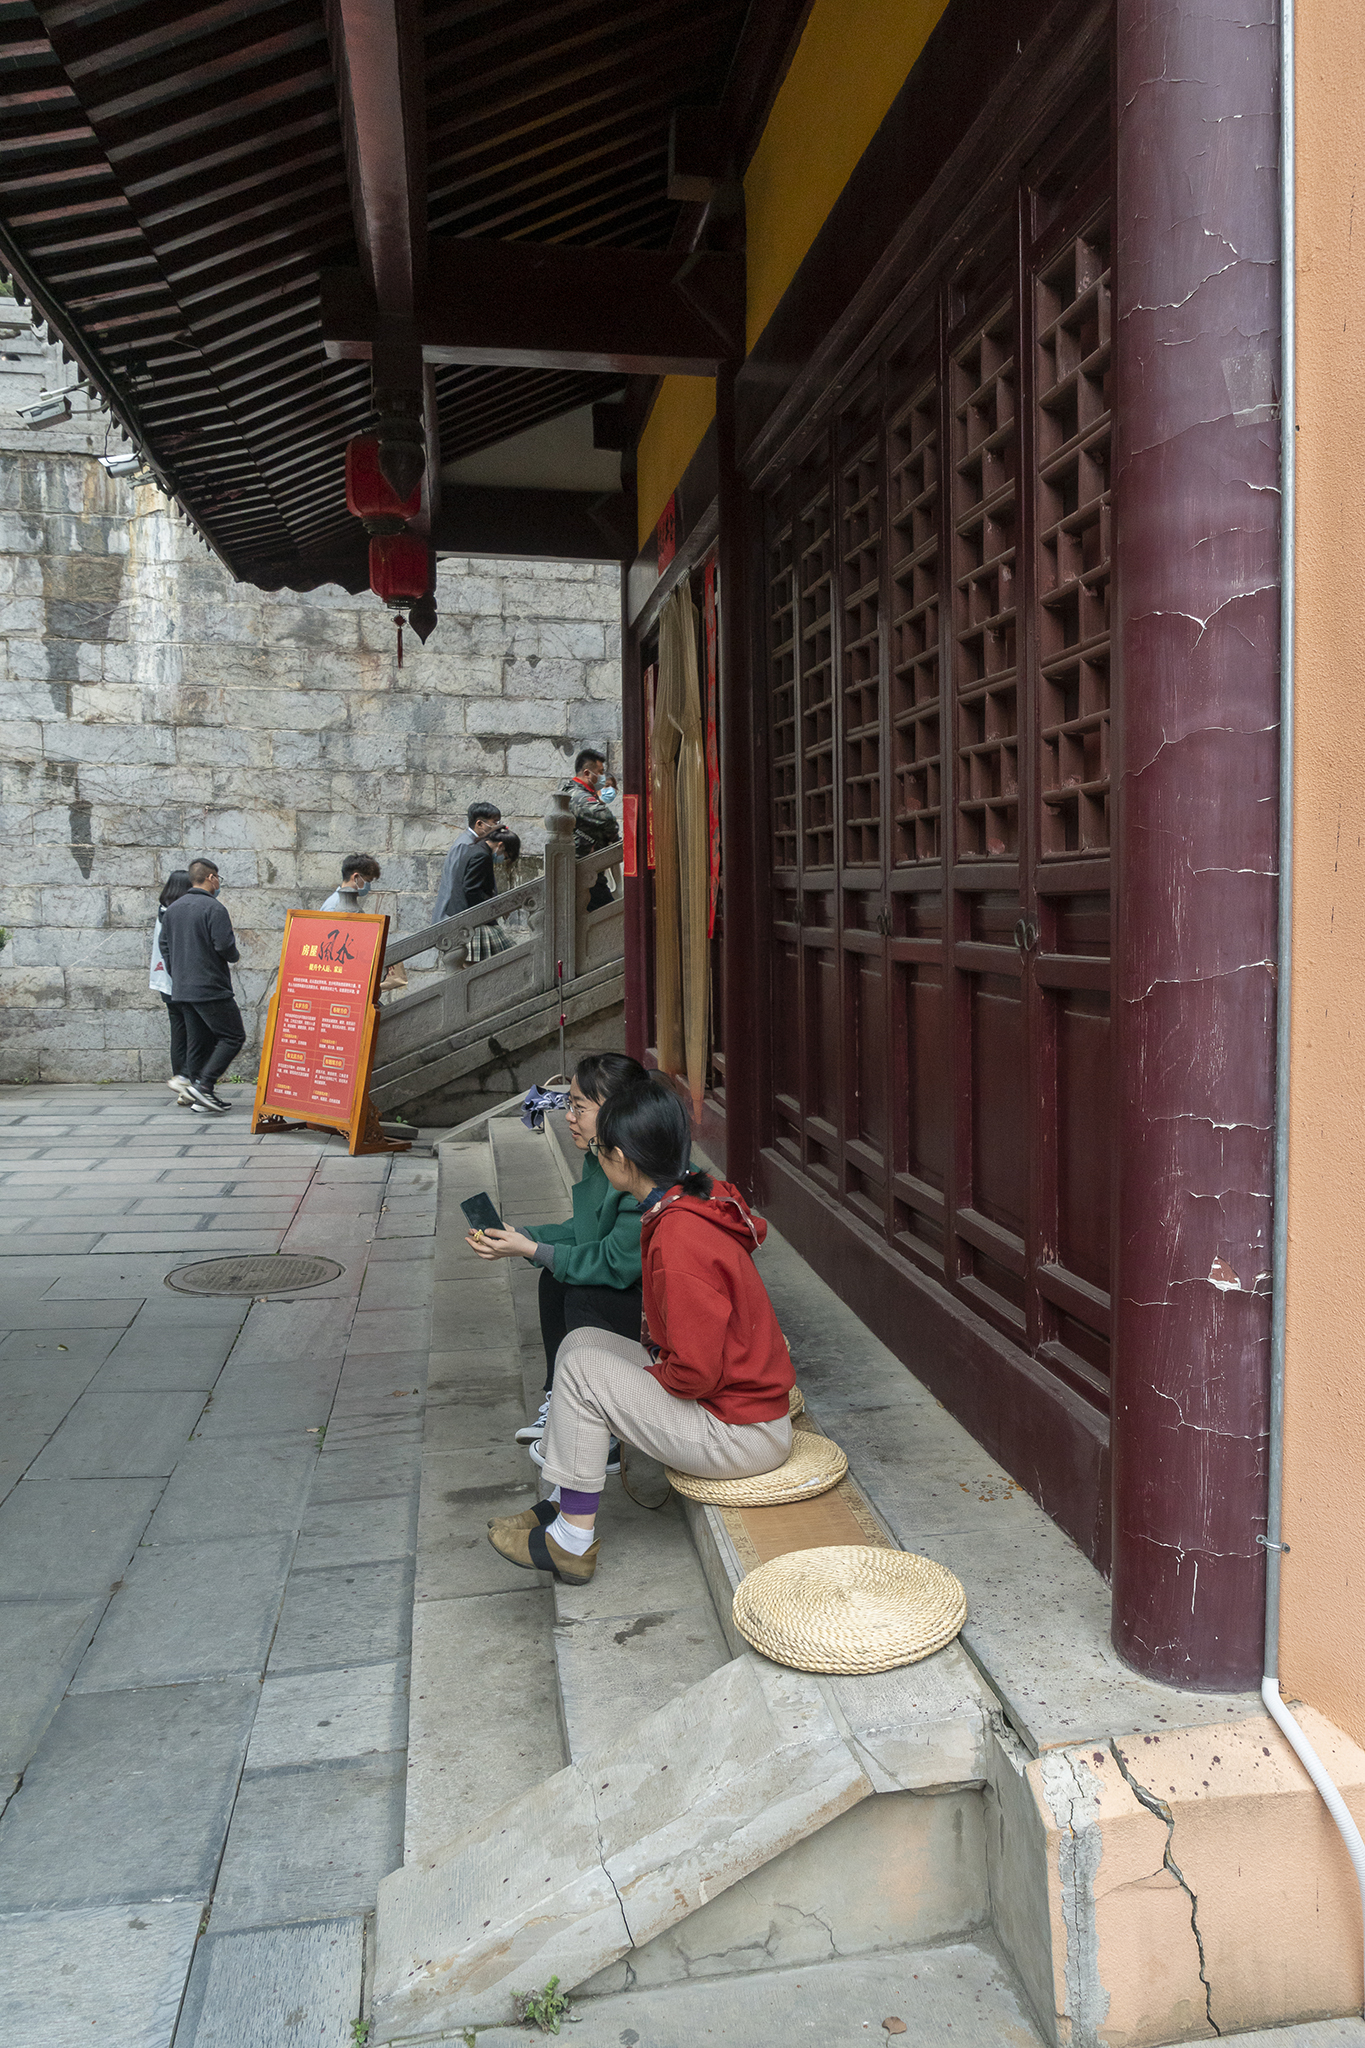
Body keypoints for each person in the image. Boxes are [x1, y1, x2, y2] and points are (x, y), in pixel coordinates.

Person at [486, 1078, 795, 1584]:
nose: (596, 1159)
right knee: (581, 1343)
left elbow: (695, 1374)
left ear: (622, 1160)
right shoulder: (685, 1195)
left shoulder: (679, 1238)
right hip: (736, 1405)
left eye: (600, 1151)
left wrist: (632, 1393)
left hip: (742, 1433)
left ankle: (572, 1541)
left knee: (587, 1373)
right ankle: (562, 1503)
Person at [466, 1051, 649, 1464]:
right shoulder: (604, 1158)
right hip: (638, 1297)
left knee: (582, 1291)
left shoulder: (641, 1168)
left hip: (662, 1317)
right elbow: (586, 1230)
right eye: (569, 1104)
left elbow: (614, 1264)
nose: (568, 1116)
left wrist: (531, 1249)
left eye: (579, 1106)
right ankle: (562, 1399)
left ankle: (601, 1431)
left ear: (618, 1112)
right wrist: (524, 1238)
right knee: (555, 1275)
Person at [157, 859, 246, 1116]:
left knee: (199, 1039)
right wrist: (234, 955)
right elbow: (224, 946)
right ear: (210, 877)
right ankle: (205, 1086)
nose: (218, 883)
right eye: (217, 877)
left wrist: (178, 974)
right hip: (210, 986)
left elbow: (165, 947)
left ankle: (197, 1093)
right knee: (232, 1036)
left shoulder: (173, 910)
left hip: (182, 988)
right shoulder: (213, 908)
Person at [150, 869, 194, 1106]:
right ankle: (187, 1079)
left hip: (165, 982)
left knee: (179, 1032)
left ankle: (182, 1080)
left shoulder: (164, 910)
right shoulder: (177, 913)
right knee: (192, 1032)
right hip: (179, 981)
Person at [562, 748, 619, 910]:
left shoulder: (573, 791)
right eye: (600, 773)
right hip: (585, 873)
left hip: (590, 873)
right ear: (587, 773)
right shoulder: (579, 796)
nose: (602, 777)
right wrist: (613, 838)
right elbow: (606, 818)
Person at [434, 801, 502, 923]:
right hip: (455, 916)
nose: (497, 828)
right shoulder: (464, 845)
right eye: (494, 823)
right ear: (480, 824)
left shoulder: (476, 843)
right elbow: (455, 882)